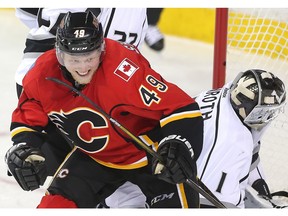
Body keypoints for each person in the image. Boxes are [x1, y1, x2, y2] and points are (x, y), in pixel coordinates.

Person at [5, 11, 203, 208]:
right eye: (74, 59)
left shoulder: (124, 69)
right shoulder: (42, 74)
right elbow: (27, 117)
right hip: (94, 157)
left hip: (149, 156)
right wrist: (23, 148)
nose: (83, 68)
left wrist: (178, 145)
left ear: (101, 49)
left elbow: (182, 108)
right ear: (59, 53)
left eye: (89, 57)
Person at [98, 69, 287, 208]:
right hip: (142, 194)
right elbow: (210, 202)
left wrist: (260, 186)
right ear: (250, 111)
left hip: (133, 171)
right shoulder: (234, 143)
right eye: (264, 112)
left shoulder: (223, 95)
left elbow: (251, 151)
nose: (268, 117)